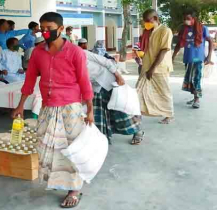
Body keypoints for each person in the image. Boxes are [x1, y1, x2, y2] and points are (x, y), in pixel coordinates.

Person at [12, 12, 93, 208]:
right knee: (47, 146)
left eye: (49, 28)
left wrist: (89, 109)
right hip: (48, 107)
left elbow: (84, 82)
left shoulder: (75, 52)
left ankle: (74, 189)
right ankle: (58, 181)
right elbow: (30, 80)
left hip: (71, 107)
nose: (45, 32)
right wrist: (20, 105)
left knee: (71, 148)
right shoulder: (37, 52)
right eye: (43, 28)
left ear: (61, 29)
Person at [78, 38, 144, 145]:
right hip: (95, 88)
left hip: (109, 81)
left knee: (121, 109)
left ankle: (137, 131)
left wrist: (118, 76)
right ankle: (103, 138)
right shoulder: (66, 65)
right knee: (99, 114)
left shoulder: (83, 53)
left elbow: (106, 62)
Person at [136, 9, 175, 125]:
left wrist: (152, 69)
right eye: (144, 21)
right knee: (139, 90)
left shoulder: (165, 31)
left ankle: (169, 114)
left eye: (148, 21)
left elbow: (163, 51)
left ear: (156, 19)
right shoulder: (148, 31)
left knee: (164, 92)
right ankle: (138, 114)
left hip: (160, 68)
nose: (146, 23)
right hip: (147, 66)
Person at [172, 10, 213, 109]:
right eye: (185, 19)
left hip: (197, 58)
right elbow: (178, 44)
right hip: (188, 58)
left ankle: (197, 99)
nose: (186, 21)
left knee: (196, 78)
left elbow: (210, 41)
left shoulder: (203, 28)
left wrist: (209, 57)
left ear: (194, 19)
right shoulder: (184, 29)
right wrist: (172, 57)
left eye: (188, 19)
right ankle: (195, 96)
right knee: (189, 79)